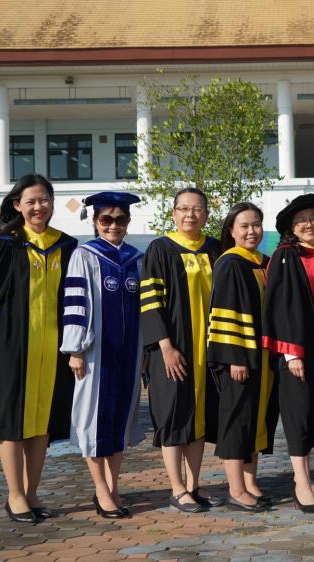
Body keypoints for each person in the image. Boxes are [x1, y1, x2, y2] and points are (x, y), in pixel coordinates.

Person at [0, 174, 78, 524]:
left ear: (52, 203)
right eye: (31, 201)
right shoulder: (5, 245)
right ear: (17, 205)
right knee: (11, 420)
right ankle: (15, 496)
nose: (38, 207)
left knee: (42, 422)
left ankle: (31, 493)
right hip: (11, 347)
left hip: (53, 349)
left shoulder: (66, 245)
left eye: (44, 200)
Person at [61, 192, 146, 519]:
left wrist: (146, 351)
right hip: (96, 353)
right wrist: (75, 349)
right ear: (95, 222)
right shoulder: (84, 256)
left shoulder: (136, 259)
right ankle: (100, 490)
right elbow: (75, 304)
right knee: (94, 419)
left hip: (130, 352)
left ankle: (113, 486)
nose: (113, 225)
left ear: (128, 221)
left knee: (120, 419)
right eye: (106, 219)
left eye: (120, 219)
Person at [140, 188, 223, 514]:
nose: (190, 215)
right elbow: (151, 302)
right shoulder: (160, 249)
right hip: (172, 349)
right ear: (173, 213)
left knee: (198, 415)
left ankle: (193, 485)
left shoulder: (215, 248)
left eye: (197, 209)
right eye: (184, 209)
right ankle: (176, 488)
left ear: (206, 214)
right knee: (173, 414)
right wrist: (165, 347)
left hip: (207, 349)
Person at [263, 194, 314, 514]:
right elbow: (279, 306)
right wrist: (290, 353)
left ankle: (307, 479)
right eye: (301, 220)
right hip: (297, 351)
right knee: (298, 414)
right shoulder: (285, 256)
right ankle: (300, 484)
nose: (308, 224)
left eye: (313, 218)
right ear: (291, 228)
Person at [207, 202, 279, 513]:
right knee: (237, 419)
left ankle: (251, 483)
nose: (252, 231)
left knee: (256, 418)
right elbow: (225, 310)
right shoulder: (230, 263)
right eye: (244, 226)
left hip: (263, 355)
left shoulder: (264, 262)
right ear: (232, 231)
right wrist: (234, 357)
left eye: (256, 225)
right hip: (240, 356)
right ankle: (235, 489)